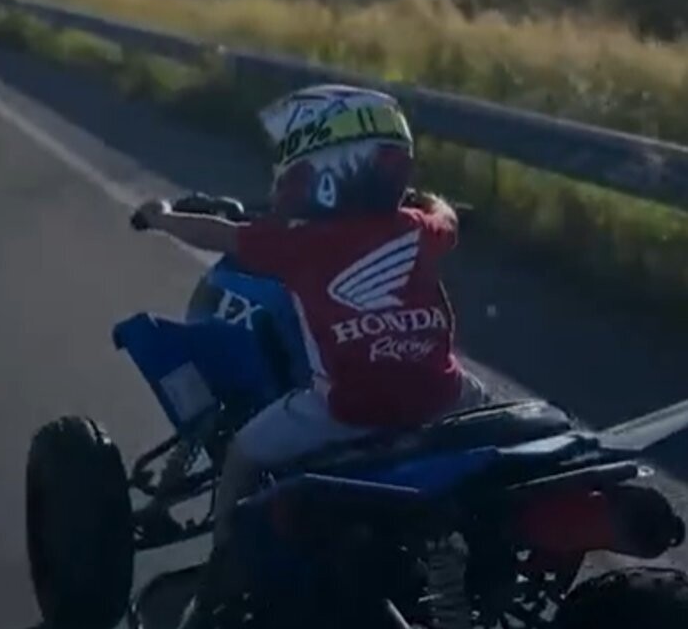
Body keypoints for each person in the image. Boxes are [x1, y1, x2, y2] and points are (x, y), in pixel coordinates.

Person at [132, 84, 487, 628]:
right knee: (491, 414)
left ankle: (219, 577)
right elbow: (448, 219)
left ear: (323, 169)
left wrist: (160, 215)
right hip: (440, 396)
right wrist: (428, 199)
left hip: (348, 409)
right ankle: (470, 535)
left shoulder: (296, 246)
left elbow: (217, 233)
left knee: (245, 454)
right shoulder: (417, 231)